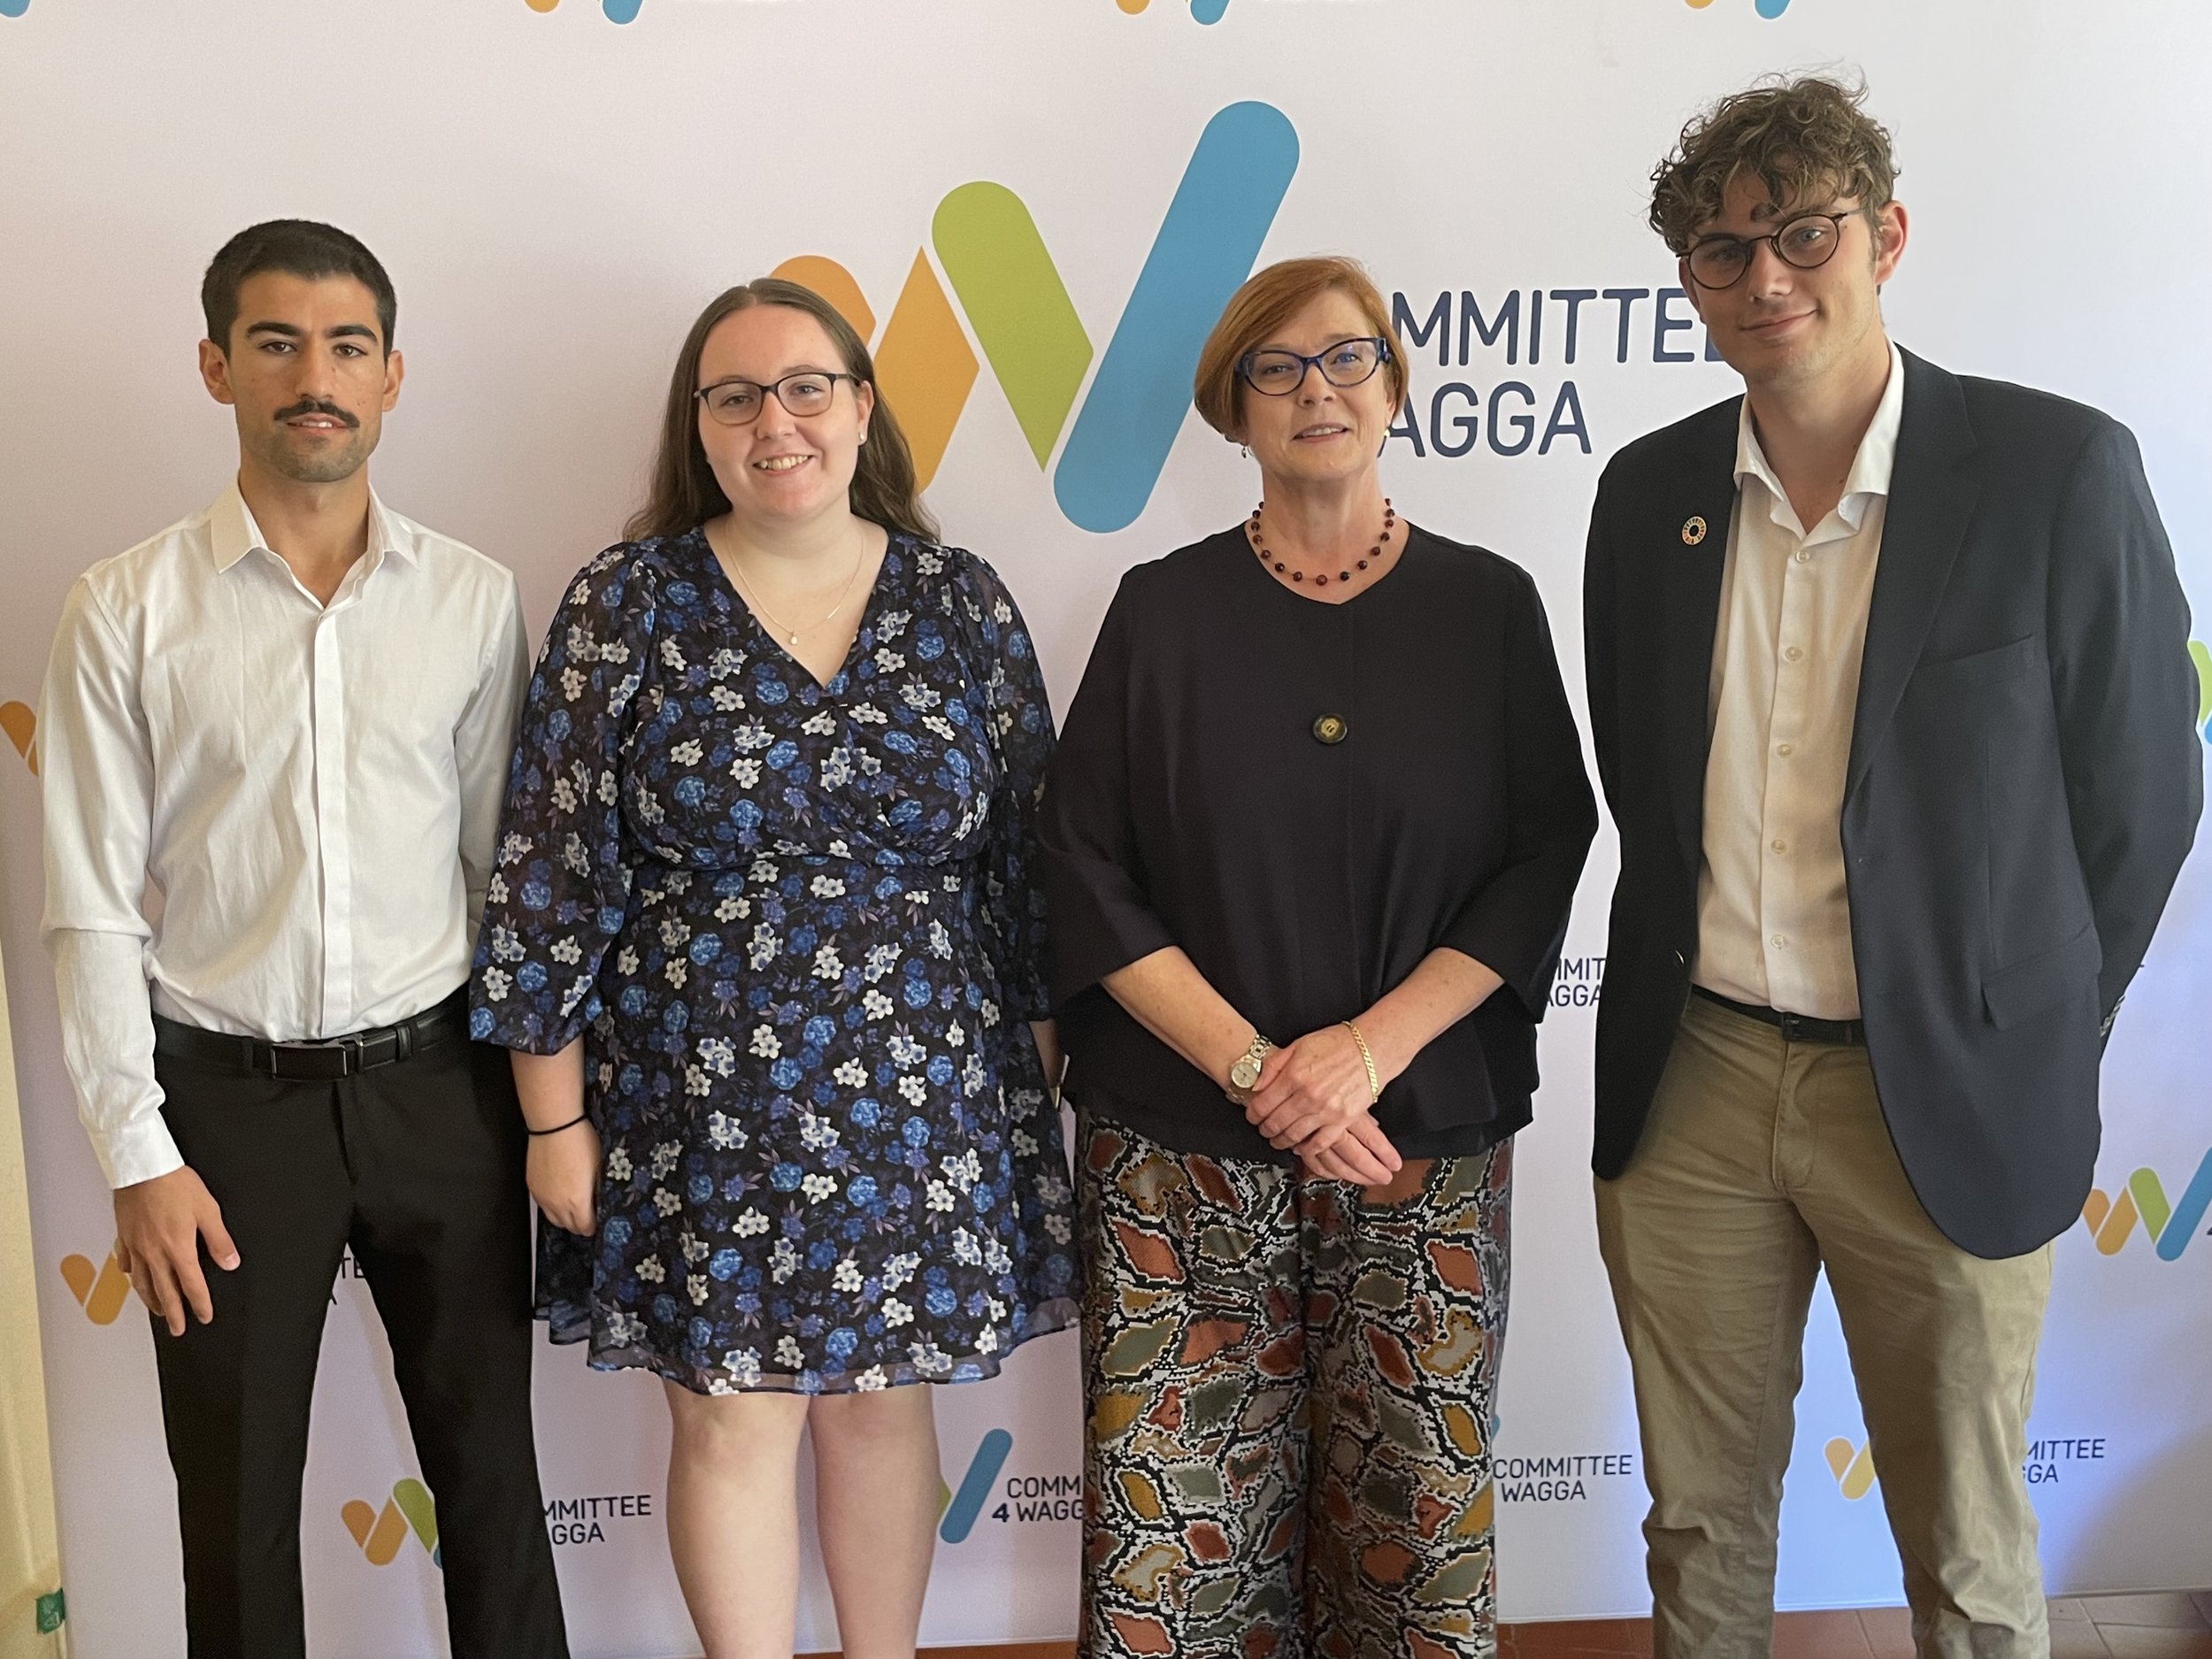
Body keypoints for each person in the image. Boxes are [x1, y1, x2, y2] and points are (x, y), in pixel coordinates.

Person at [1582, 77, 2201, 1657]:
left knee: (1970, 1545)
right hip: (1699, 1080)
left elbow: (2140, 793)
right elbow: (1640, 784)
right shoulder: (1646, 498)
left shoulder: (2056, 472)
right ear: (1690, 285)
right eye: (1725, 253)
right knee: (1700, 1526)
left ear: (1887, 236)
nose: (1768, 279)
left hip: (1940, 1088)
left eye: (1806, 233)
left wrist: (2022, 1018)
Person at [469, 277, 1078, 1659]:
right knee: (733, 1421)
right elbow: (552, 872)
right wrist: (553, 1120)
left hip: (926, 1101)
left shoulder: (958, 601)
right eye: (735, 394)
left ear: (862, 409)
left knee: (881, 1413)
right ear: (700, 428)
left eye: (807, 386)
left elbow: (1030, 869)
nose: (775, 420)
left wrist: (1024, 1095)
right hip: (698, 1100)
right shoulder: (628, 604)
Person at [1039, 256, 1597, 1658]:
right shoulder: (1161, 610)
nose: (1317, 390)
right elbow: (1081, 863)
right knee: (1175, 1519)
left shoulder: (1489, 606)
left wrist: (1367, 1052)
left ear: (1396, 385)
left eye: (1347, 358)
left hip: (1419, 1141)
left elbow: (1547, 847)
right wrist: (1253, 1068)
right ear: (1234, 409)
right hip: (1176, 1147)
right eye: (1276, 369)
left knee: (1417, 1499)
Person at [36, 220, 567, 1659]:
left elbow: (499, 883)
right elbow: (88, 903)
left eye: (345, 347)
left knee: (494, 1490)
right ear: (217, 367)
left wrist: (542, 1112)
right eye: (275, 343)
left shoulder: (469, 601)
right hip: (220, 1115)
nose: (312, 377)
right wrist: (139, 1158)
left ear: (394, 376)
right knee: (234, 1506)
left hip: (439, 1094)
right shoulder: (123, 609)